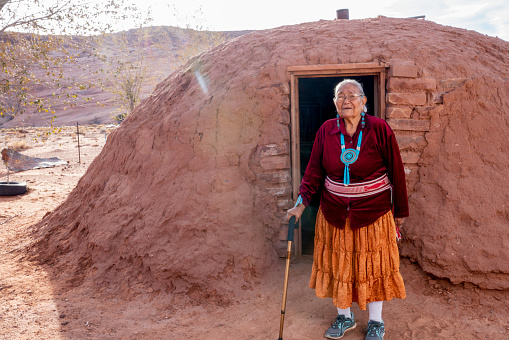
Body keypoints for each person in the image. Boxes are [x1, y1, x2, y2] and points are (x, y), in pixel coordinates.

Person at [286, 79, 408, 340]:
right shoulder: (327, 131)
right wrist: (301, 204)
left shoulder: (379, 129)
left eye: (353, 95)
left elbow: (397, 170)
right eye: (341, 96)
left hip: (373, 213)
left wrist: (399, 212)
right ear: (334, 103)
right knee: (340, 264)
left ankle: (376, 322)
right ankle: (345, 317)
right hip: (335, 213)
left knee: (374, 266)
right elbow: (313, 172)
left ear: (364, 102)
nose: (346, 100)